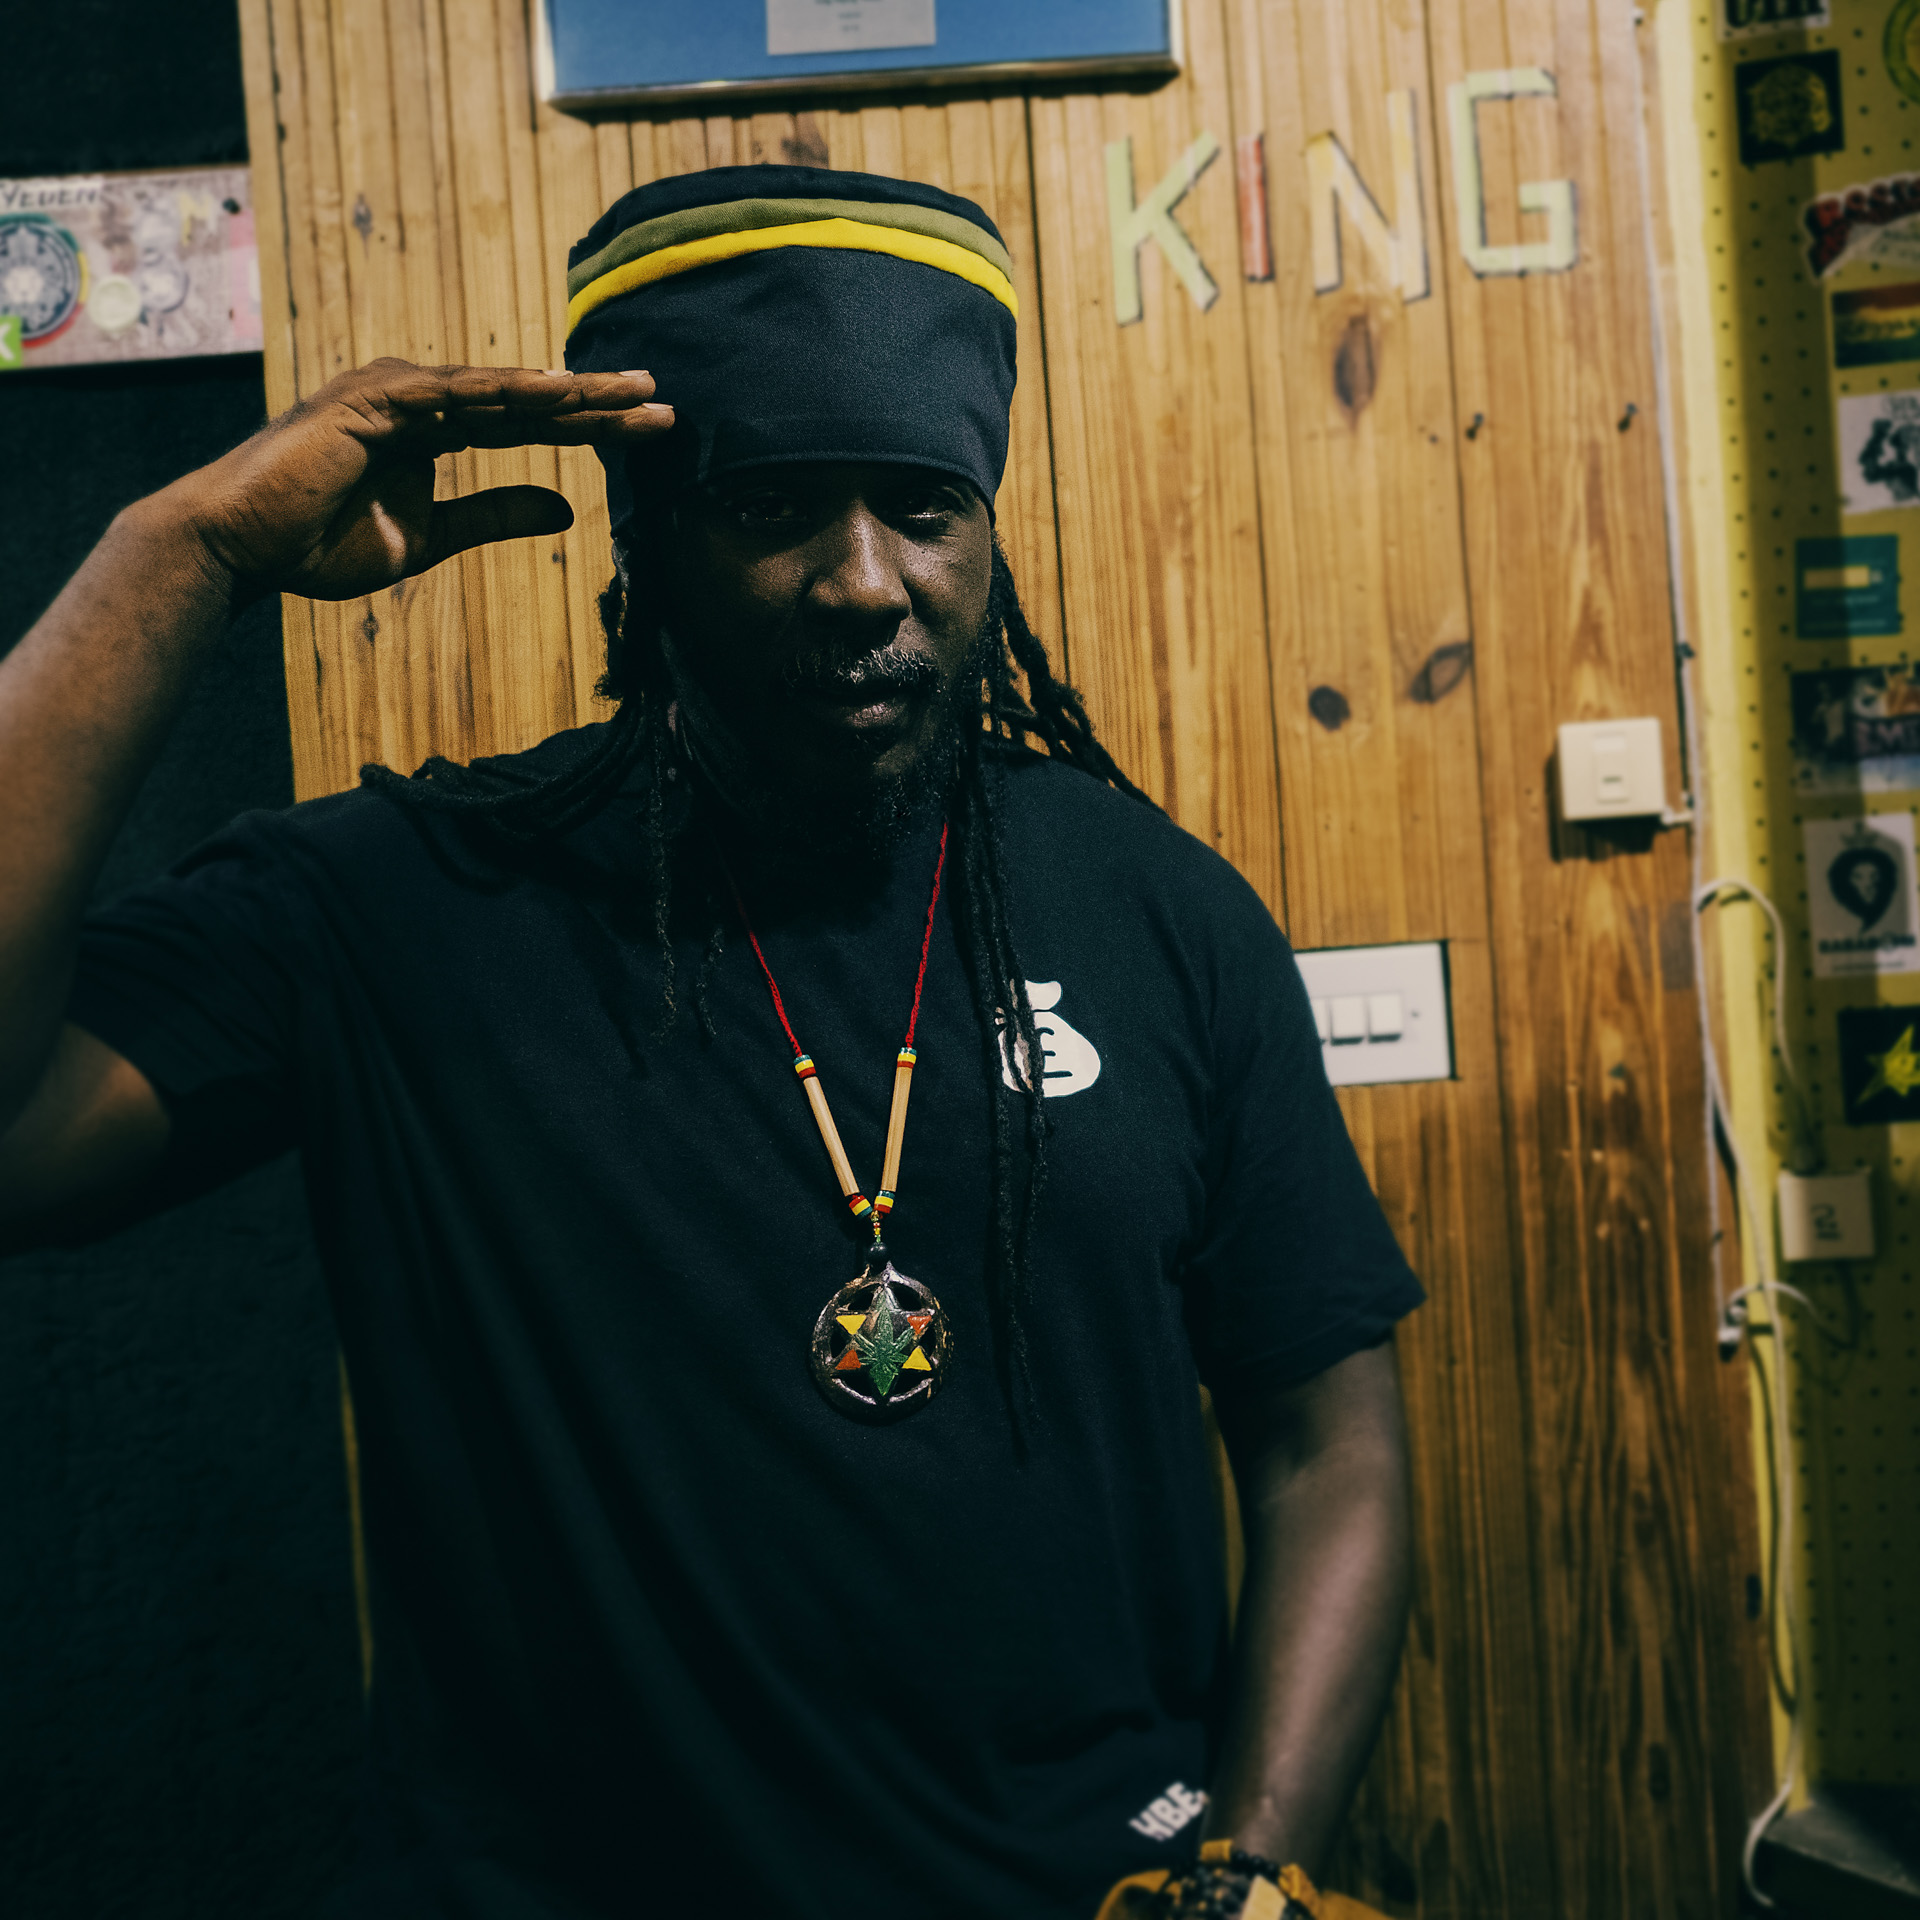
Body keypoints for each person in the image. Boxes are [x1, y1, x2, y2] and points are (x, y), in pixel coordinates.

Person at [0, 166, 1422, 1920]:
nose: (861, 582)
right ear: (648, 537)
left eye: (924, 504)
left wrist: (1249, 1875)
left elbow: (1325, 1438)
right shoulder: (397, 906)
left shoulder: (1156, 905)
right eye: (768, 508)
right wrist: (180, 554)